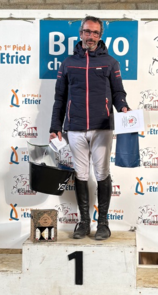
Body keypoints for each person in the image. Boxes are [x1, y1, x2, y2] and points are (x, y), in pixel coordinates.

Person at [49, 16, 129, 241]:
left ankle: (103, 223)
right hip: (74, 128)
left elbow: (118, 92)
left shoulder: (110, 62)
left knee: (102, 173)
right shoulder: (68, 63)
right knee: (81, 174)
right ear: (80, 33)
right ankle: (84, 222)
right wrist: (55, 126)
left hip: (102, 128)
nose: (90, 36)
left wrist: (123, 107)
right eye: (87, 31)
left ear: (100, 36)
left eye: (95, 33)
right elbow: (60, 98)